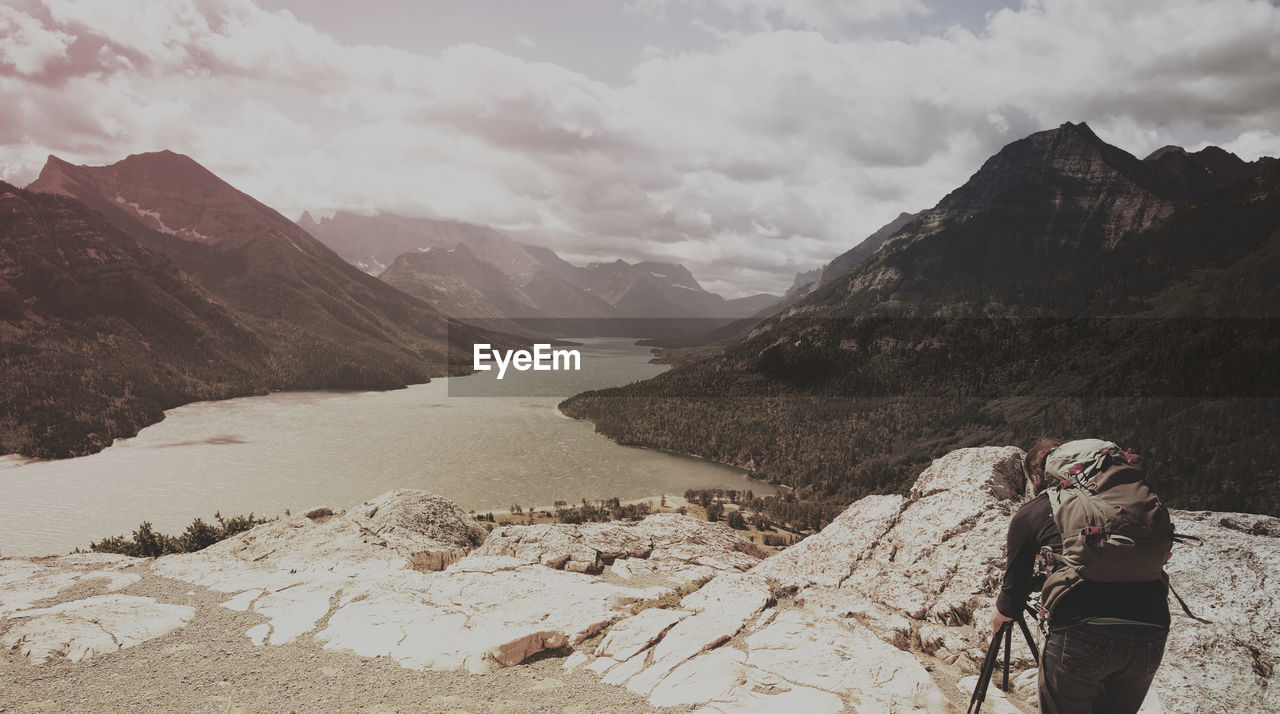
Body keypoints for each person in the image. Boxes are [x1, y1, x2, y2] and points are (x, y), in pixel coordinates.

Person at [990, 437, 1170, 714]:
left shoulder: (1035, 511)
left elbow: (1012, 597)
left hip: (1082, 629)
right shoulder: (1131, 503)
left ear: (1039, 475)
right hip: (1151, 627)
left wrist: (1000, 617)